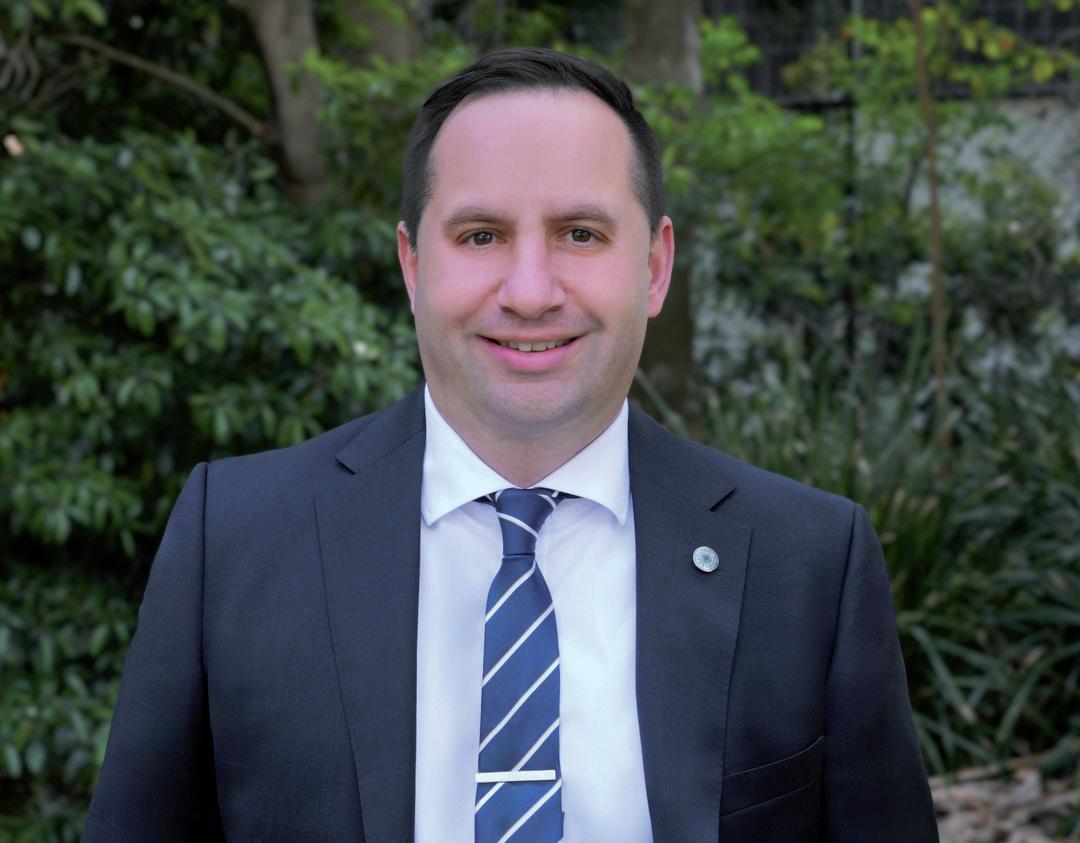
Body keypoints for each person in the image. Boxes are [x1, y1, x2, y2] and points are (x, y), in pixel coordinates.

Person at [84, 47, 938, 842]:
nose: (530, 292)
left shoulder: (809, 564)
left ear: (654, 267)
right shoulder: (232, 540)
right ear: (413, 266)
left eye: (581, 233)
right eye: (481, 236)